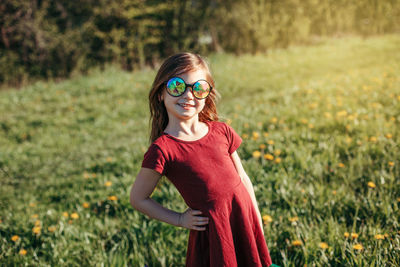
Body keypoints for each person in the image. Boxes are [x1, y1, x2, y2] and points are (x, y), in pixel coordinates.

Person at [130, 52, 273, 266]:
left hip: (243, 223)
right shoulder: (163, 149)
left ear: (206, 95)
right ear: (160, 93)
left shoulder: (222, 131)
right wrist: (179, 219)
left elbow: (243, 178)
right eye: (177, 86)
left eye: (198, 89)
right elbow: (138, 198)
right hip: (215, 235)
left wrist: (256, 221)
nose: (188, 96)